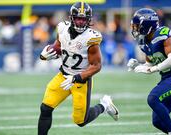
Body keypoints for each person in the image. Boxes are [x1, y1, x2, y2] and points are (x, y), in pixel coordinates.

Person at [37, 2, 119, 135]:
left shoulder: (91, 38)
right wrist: (46, 55)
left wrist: (76, 78)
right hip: (63, 76)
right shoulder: (62, 28)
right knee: (45, 108)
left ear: (89, 20)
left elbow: (96, 66)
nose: (80, 22)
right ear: (71, 18)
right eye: (78, 18)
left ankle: (104, 105)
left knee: (80, 121)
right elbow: (59, 46)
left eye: (84, 19)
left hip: (81, 80)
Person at [127, 8, 171, 135]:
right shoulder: (143, 41)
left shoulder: (162, 34)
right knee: (158, 122)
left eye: (137, 25)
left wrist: (152, 69)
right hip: (167, 79)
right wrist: (138, 65)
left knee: (153, 98)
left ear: (146, 24)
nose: (134, 28)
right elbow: (150, 63)